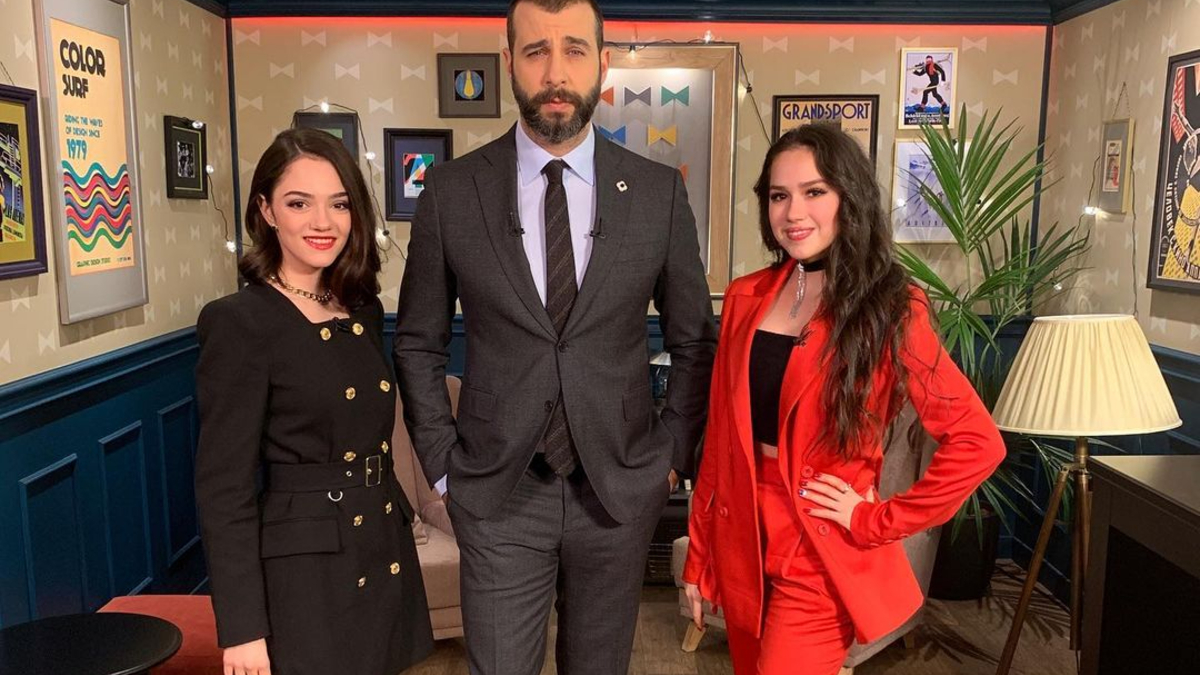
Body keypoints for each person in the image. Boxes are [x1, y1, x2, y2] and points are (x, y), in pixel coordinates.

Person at [392, 0, 717, 672]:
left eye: (574, 49)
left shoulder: (657, 193)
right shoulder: (451, 192)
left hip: (619, 490)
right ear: (509, 62)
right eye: (536, 51)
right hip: (496, 491)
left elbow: (694, 342)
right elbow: (418, 343)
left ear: (603, 62)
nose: (555, 72)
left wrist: (669, 458)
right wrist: (445, 470)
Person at [682, 124, 1005, 675]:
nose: (793, 213)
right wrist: (700, 556)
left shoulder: (893, 307)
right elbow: (721, 441)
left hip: (818, 548)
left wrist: (879, 519)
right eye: (779, 196)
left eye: (814, 191)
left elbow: (978, 442)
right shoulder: (745, 296)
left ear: (848, 197)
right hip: (741, 539)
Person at [195, 128, 434, 675]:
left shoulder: (362, 308)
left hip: (381, 543)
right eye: (299, 203)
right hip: (304, 573)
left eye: (339, 204)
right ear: (266, 211)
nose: (322, 222)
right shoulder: (239, 322)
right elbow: (224, 487)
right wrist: (243, 628)